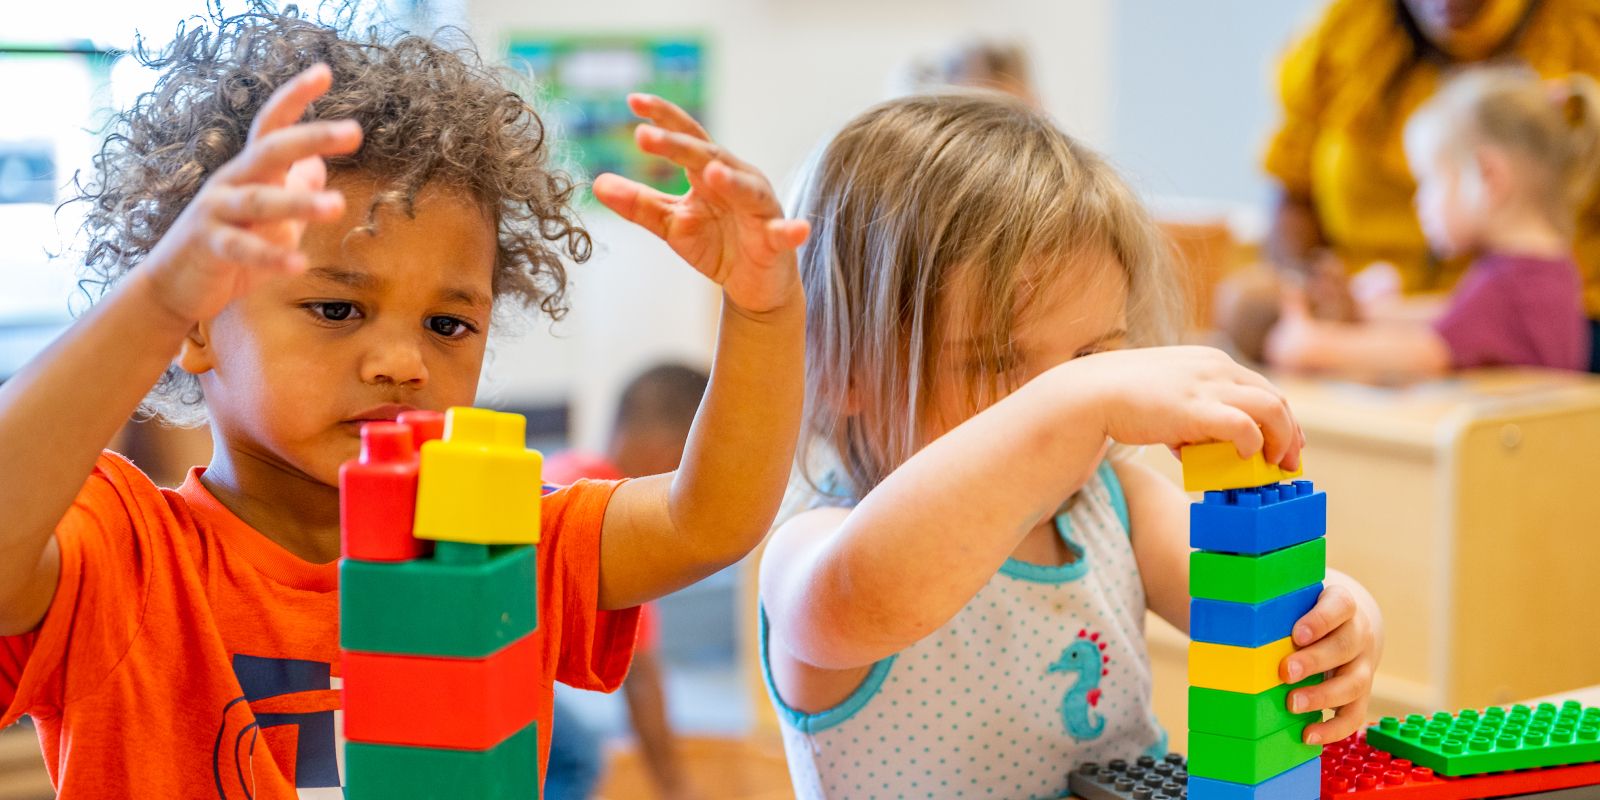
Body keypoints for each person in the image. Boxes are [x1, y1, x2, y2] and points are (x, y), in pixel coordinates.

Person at [0, 7, 808, 797]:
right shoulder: (123, 558)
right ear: (198, 325)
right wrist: (156, 298)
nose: (402, 363)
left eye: (447, 325)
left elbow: (707, 521)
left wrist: (764, 313)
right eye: (337, 309)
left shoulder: (498, 540)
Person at [758, 92, 1384, 799]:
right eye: (997, 362)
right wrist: (1075, 398)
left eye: (1091, 357)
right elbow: (862, 600)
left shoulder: (1115, 507)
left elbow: (1263, 600)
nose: (1072, 402)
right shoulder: (814, 546)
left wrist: (1343, 617)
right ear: (841, 371)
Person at [1239, 0, 1600, 367]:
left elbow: (1427, 353)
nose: (1419, 203)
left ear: (1488, 177)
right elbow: (1451, 315)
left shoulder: (1507, 285)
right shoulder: (1543, 271)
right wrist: (1368, 311)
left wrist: (1312, 346)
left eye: (1431, 183)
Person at [544, 364, 711, 800]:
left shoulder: (566, 471)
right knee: (576, 758)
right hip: (482, 669)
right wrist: (674, 787)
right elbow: (641, 679)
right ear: (671, 456)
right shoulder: (613, 520)